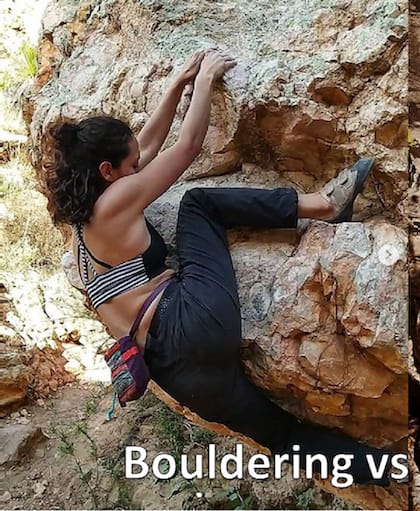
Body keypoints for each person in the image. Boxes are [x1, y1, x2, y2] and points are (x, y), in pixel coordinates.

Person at [44, 49, 393, 485]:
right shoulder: (116, 203)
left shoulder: (87, 223)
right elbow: (186, 148)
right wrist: (206, 80)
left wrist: (176, 85)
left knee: (284, 437)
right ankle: (323, 205)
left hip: (176, 375)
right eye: (131, 167)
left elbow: (147, 147)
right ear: (107, 172)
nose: (140, 167)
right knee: (197, 203)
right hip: (191, 324)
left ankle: (391, 470)